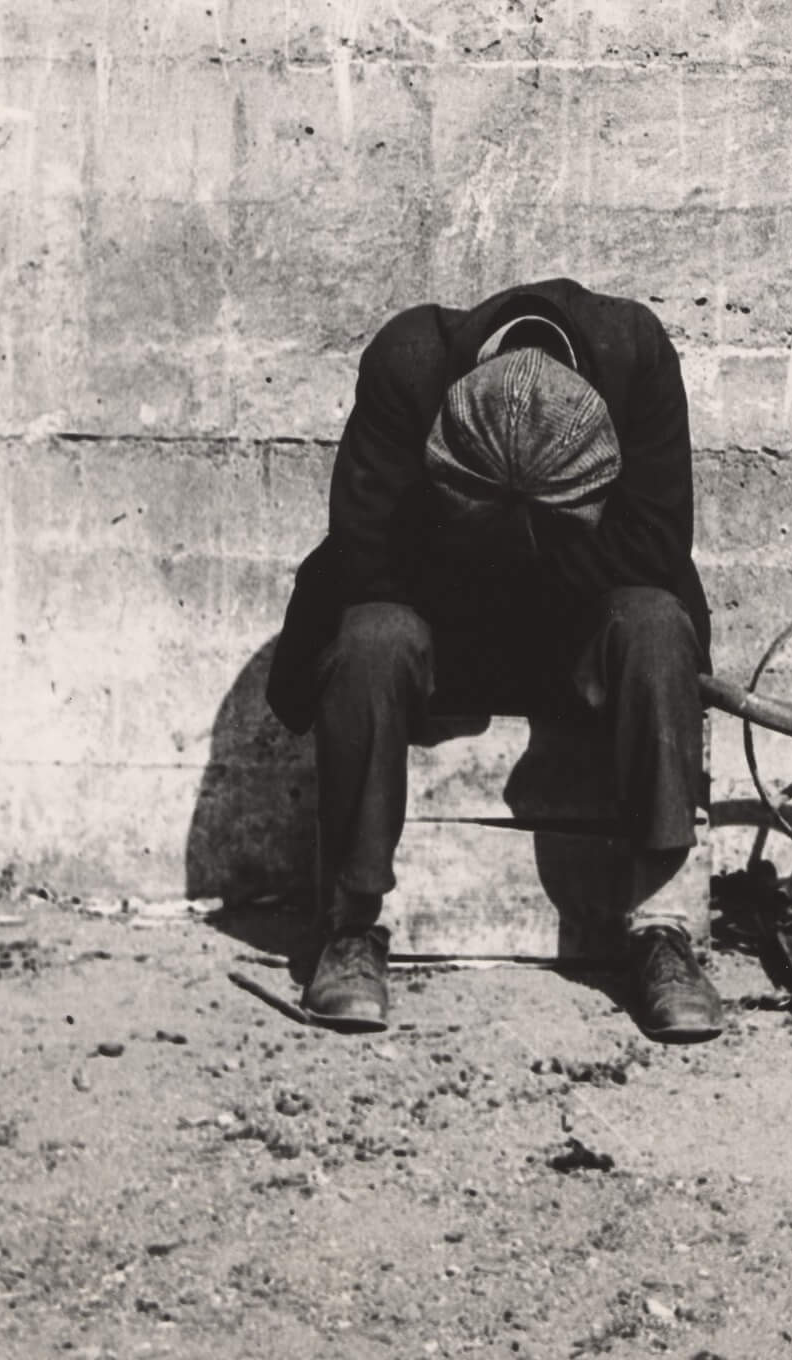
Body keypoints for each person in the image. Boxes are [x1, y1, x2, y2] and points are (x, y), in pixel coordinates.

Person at [265, 277, 722, 1042]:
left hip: (578, 630)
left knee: (656, 623)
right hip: (446, 629)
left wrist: (522, 562)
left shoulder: (635, 354)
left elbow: (653, 544)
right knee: (371, 636)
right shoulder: (407, 361)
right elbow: (363, 547)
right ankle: (352, 927)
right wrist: (494, 554)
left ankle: (659, 927)